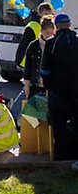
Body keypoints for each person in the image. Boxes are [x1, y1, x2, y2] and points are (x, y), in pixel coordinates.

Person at [40, 13, 78, 161]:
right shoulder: (76, 41)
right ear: (69, 25)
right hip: (76, 91)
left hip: (58, 91)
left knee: (59, 124)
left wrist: (48, 85)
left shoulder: (52, 43)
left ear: (56, 27)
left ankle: (61, 154)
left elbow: (44, 70)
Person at [23, 16, 55, 99]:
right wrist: (26, 85)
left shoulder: (55, 45)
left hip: (50, 86)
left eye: (51, 33)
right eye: (47, 33)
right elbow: (28, 66)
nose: (49, 36)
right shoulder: (33, 45)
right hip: (35, 84)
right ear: (41, 31)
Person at [16, 2, 54, 68]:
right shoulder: (32, 26)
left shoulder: (52, 26)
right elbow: (24, 45)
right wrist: (18, 61)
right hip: (30, 62)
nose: (48, 16)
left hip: (42, 61)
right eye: (46, 14)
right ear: (40, 13)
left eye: (50, 14)